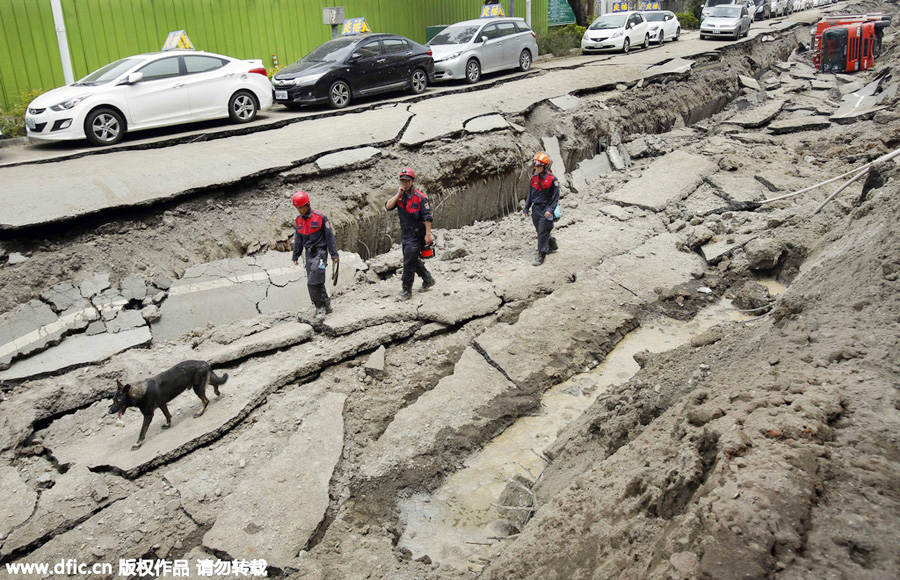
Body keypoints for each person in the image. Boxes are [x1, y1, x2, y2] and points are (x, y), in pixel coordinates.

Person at [385, 167, 435, 300]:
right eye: (402, 181)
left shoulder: (420, 198)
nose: (405, 183)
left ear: (412, 181)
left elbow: (427, 217)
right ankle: (427, 278)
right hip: (406, 234)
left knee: (408, 262)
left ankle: (406, 291)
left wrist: (428, 235)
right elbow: (388, 206)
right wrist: (398, 194)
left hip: (417, 234)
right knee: (412, 259)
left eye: (407, 181)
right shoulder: (400, 197)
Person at [291, 191, 339, 319]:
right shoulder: (299, 220)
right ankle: (327, 304)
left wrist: (334, 254)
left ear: (308, 204)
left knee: (312, 282)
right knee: (316, 281)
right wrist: (295, 255)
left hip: (320, 253)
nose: (300, 210)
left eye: (301, 207)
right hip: (309, 255)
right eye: (297, 208)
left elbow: (330, 237)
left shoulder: (320, 218)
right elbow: (298, 239)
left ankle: (320, 307)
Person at [523, 152, 560, 266]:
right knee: (540, 231)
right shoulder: (533, 178)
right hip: (536, 209)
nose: (537, 168)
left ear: (545, 166)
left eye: (539, 166)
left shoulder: (552, 179)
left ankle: (541, 253)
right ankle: (552, 242)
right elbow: (530, 195)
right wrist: (526, 209)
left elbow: (555, 198)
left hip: (546, 209)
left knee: (543, 232)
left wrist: (550, 210)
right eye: (536, 166)